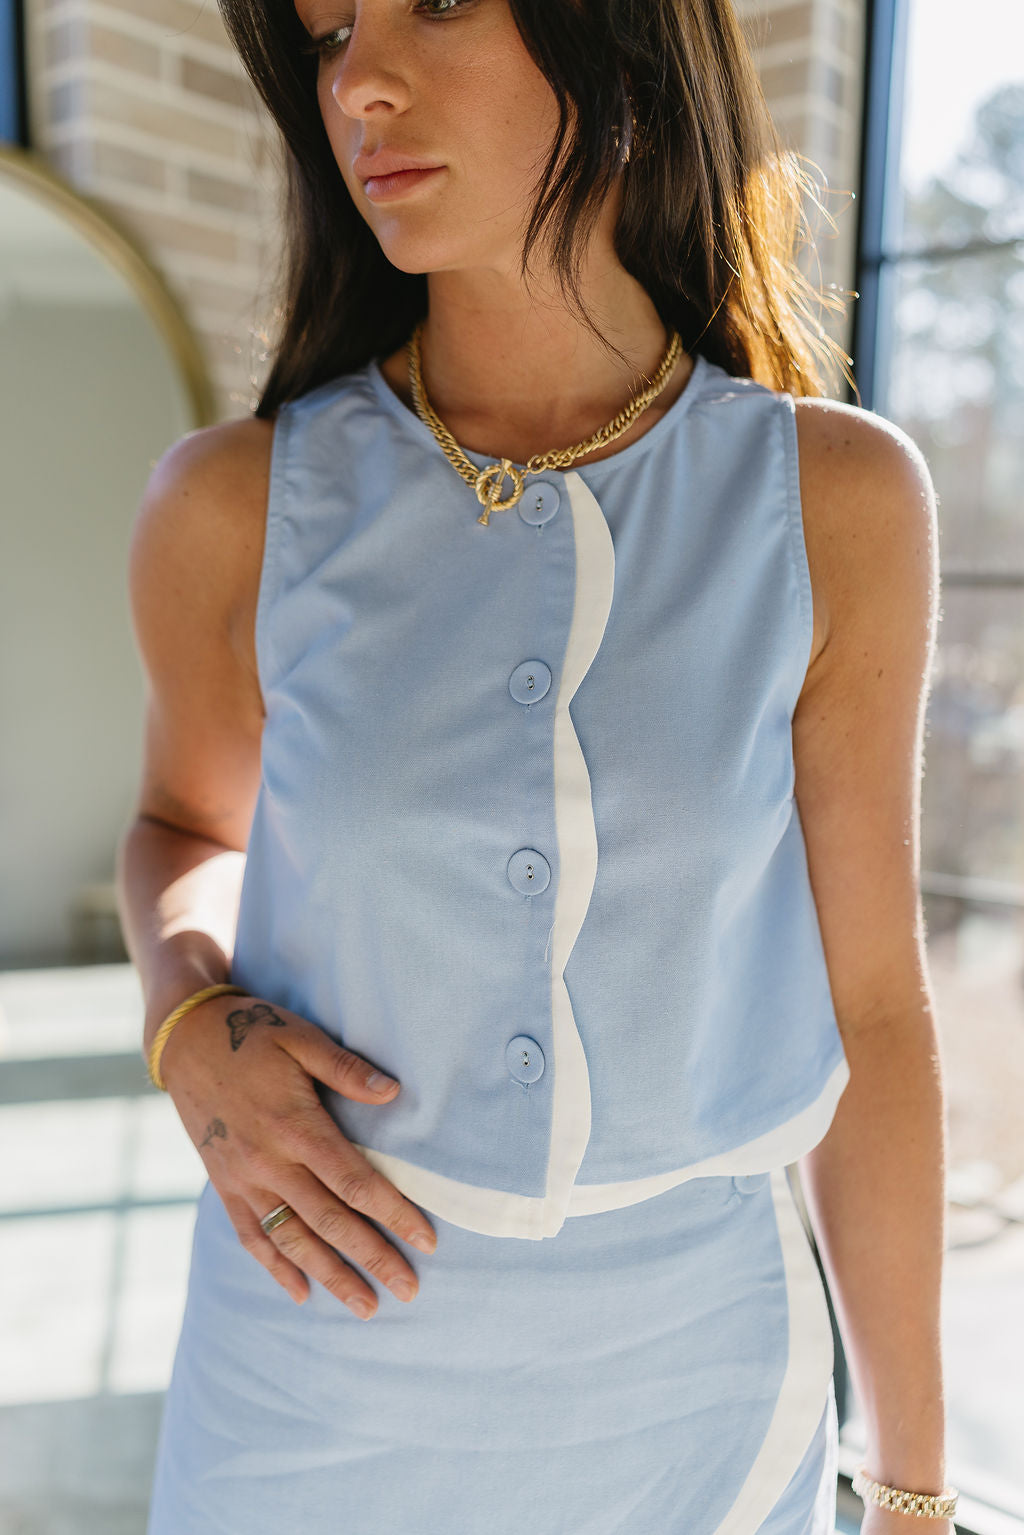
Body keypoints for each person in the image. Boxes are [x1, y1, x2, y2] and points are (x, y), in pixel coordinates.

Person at [115, 0, 958, 1530]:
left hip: (701, 1402)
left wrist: (907, 1482)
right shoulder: (237, 505)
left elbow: (876, 1018)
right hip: (310, 1377)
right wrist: (187, 1018)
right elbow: (183, 823)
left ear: (619, 37)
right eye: (324, 32)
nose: (360, 81)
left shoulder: (832, 502)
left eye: (436, 2)